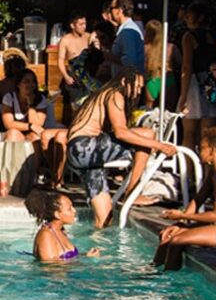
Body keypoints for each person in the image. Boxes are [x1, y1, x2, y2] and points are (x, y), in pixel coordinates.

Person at [64, 69, 176, 229]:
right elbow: (121, 132)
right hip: (85, 147)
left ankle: (97, 243)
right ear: (124, 82)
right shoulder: (114, 94)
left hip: (78, 154)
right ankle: (132, 193)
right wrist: (159, 145)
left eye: (141, 88)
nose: (138, 91)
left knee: (105, 220)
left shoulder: (101, 94)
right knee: (147, 135)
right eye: (137, 86)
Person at [152, 125, 216, 270]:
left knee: (177, 240)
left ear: (212, 150)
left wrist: (181, 215)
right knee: (167, 235)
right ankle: (153, 272)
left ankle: (168, 280)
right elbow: (198, 199)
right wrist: (180, 223)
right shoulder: (215, 172)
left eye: (201, 148)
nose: (198, 150)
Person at [177, 2, 216, 148]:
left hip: (194, 84)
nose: (186, 18)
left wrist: (183, 95)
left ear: (199, 17)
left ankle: (189, 162)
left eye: (189, 15)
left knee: (189, 132)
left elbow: (187, 66)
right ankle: (206, 162)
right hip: (212, 85)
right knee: (208, 134)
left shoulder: (189, 36)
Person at [25, 188, 100, 262]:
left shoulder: (61, 230)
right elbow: (49, 266)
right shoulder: (46, 235)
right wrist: (84, 260)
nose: (74, 211)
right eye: (69, 209)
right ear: (57, 214)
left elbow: (64, 259)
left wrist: (86, 255)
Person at [57, 11, 99, 103]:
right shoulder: (65, 40)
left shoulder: (89, 37)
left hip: (89, 75)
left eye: (85, 23)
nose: (84, 26)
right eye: (81, 24)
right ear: (72, 25)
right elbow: (60, 60)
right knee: (77, 104)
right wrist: (66, 76)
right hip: (74, 77)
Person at [107, 0, 145, 73]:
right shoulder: (127, 30)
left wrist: (108, 56)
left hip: (127, 79)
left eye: (111, 8)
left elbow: (129, 61)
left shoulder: (128, 31)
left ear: (119, 10)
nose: (110, 11)